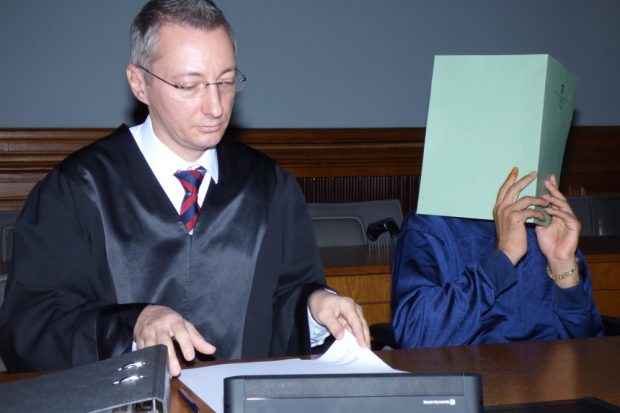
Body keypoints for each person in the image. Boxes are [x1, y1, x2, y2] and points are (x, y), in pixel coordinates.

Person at [0, 0, 369, 377]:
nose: (216, 107)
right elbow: (31, 326)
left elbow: (283, 299)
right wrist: (132, 325)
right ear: (139, 83)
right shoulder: (76, 191)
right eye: (190, 85)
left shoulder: (269, 187)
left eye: (226, 81)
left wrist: (314, 308)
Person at [392, 167, 603, 349]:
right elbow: (415, 337)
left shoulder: (548, 226)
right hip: (474, 376)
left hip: (550, 377)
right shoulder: (429, 226)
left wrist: (563, 265)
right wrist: (504, 256)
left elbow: (586, 345)